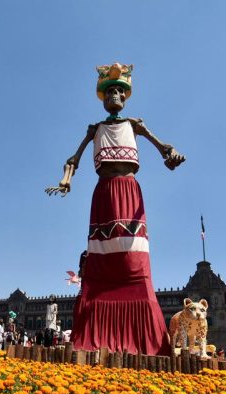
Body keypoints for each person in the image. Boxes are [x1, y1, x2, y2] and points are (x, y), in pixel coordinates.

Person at [47, 63, 185, 356]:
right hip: (105, 193)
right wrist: (65, 181)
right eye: (110, 91)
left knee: (133, 259)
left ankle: (142, 334)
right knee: (102, 256)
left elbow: (163, 147)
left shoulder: (135, 124)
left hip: (129, 190)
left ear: (126, 96)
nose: (114, 95)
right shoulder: (95, 129)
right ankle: (97, 329)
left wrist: (170, 156)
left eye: (119, 91)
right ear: (103, 97)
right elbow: (74, 159)